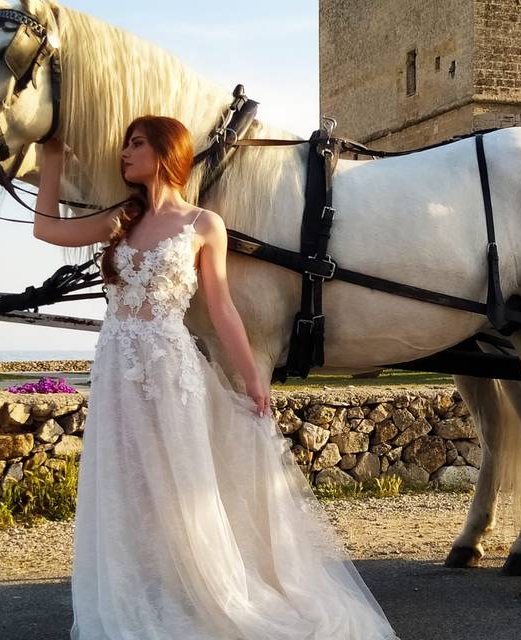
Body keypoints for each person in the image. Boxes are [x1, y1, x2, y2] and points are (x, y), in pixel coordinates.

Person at [34, 115, 400, 640]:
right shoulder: (122, 218)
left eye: (136, 144)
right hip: (116, 367)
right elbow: (46, 229)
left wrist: (253, 378)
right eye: (125, 144)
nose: (124, 153)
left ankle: (202, 588)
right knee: (126, 485)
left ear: (166, 152)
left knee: (185, 481)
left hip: (170, 367)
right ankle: (139, 593)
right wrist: (50, 163)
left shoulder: (203, 224)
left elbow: (223, 308)